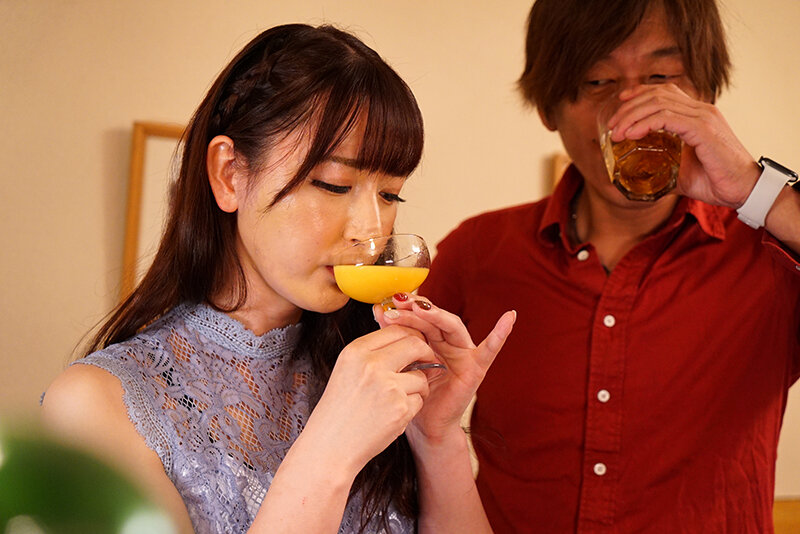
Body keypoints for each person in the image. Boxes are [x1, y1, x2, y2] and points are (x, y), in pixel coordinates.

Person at [41, 24, 515, 534]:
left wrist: (436, 437)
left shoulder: (376, 377)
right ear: (229, 174)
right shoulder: (98, 406)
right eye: (334, 185)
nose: (372, 230)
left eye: (390, 194)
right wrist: (329, 454)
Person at [422, 0, 800, 532]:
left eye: (662, 77)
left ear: (706, 95)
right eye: (598, 80)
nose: (632, 109)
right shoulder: (478, 251)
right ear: (548, 107)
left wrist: (756, 190)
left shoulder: (773, 253)